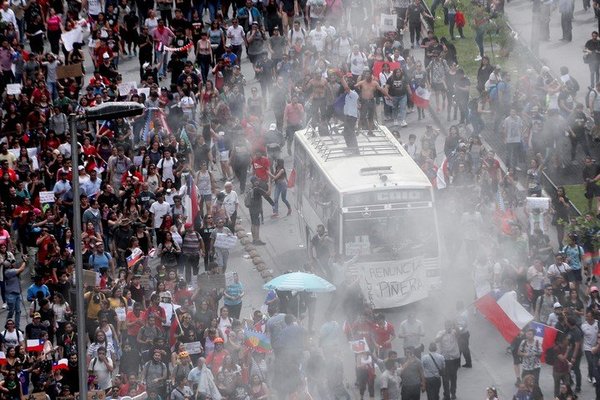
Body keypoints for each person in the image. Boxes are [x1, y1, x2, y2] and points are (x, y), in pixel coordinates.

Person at [435, 320, 460, 400]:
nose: (449, 327)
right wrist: (443, 334)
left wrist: (455, 327)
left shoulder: (454, 332)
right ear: (445, 326)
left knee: (453, 377)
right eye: (447, 325)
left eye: (450, 325)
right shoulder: (441, 332)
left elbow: (459, 333)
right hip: (445, 359)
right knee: (445, 379)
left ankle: (453, 393)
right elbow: (436, 340)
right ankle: (446, 395)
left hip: (454, 359)